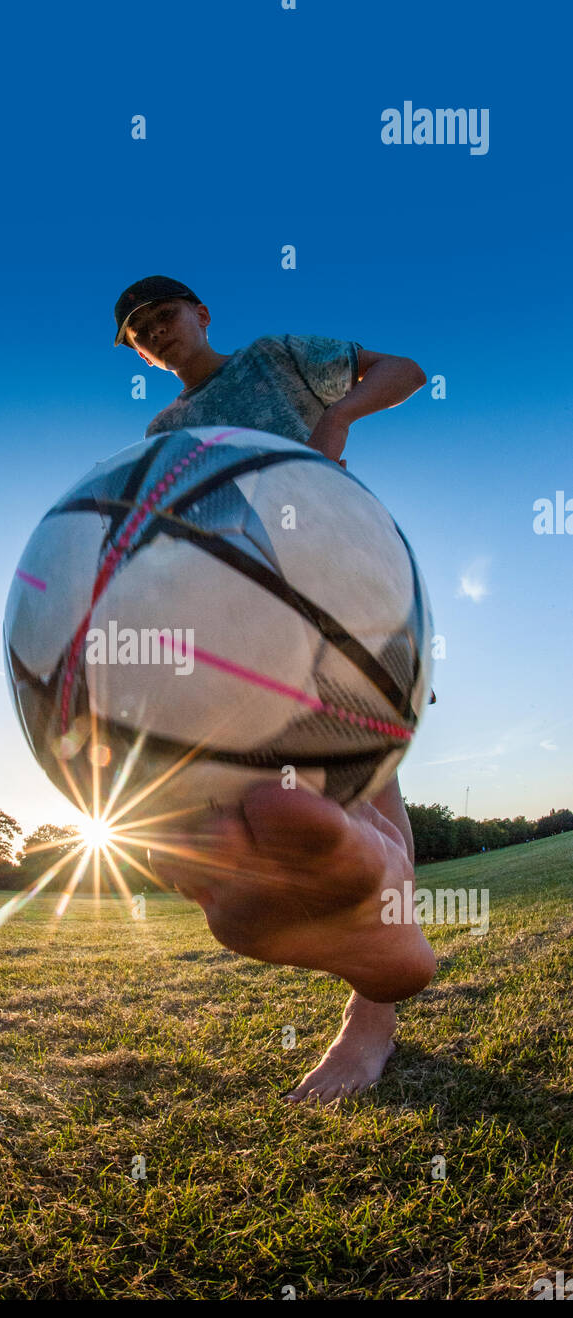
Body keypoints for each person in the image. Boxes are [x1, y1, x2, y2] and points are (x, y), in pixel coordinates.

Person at [113, 274, 435, 1105]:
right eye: (140, 333)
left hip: (347, 580)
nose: (156, 333)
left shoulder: (275, 357)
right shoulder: (163, 430)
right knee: (267, 784)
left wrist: (334, 416)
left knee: (366, 777)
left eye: (163, 316)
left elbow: (404, 369)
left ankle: (371, 1014)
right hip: (239, 617)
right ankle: (354, 906)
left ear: (200, 313)